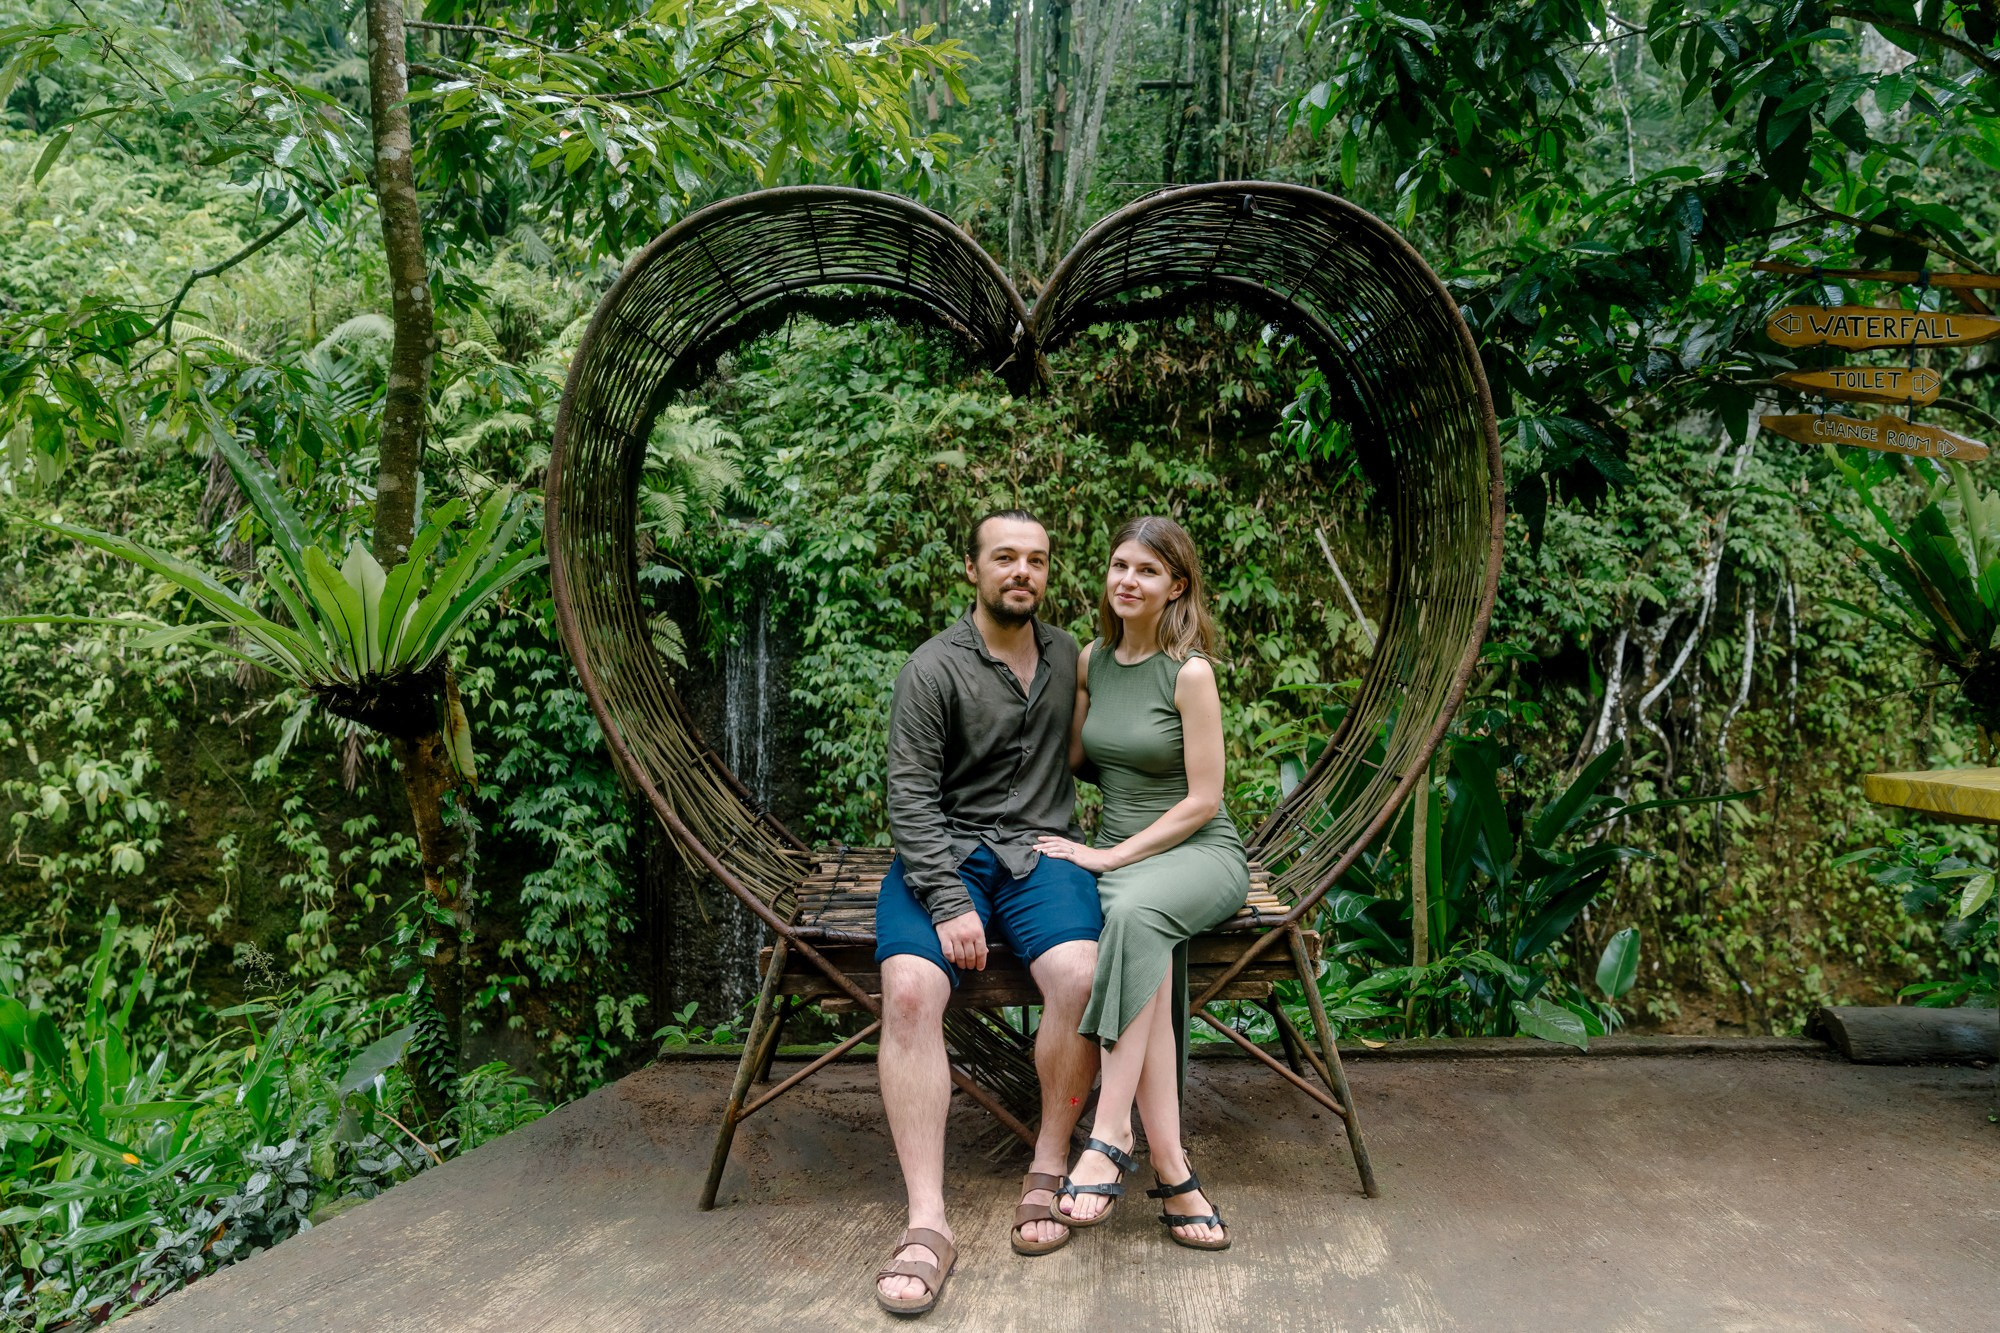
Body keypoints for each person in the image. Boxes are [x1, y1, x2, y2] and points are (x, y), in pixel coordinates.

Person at [872, 510, 1105, 1318]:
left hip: (1043, 853)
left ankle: (1048, 1164)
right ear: (971, 570)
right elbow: (908, 797)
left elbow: (1108, 743)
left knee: (1080, 976)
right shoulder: (932, 668)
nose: (1023, 571)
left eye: (1037, 559)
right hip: (947, 851)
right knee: (908, 989)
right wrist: (944, 901)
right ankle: (927, 1219)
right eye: (1005, 557)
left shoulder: (1074, 655)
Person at [1035, 514, 1250, 1252]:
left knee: (1132, 915)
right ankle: (1172, 1169)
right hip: (1125, 859)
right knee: (1139, 934)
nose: (1128, 579)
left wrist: (1106, 857)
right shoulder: (1092, 659)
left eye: (1148, 571)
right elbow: (1071, 758)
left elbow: (1203, 801)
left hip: (1196, 853)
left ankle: (1108, 1131)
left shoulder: (1191, 672)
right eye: (1119, 565)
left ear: (1176, 586)